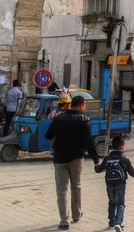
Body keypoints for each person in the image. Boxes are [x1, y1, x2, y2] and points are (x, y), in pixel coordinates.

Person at [46, 94, 100, 229]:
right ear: (81, 105)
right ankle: (76, 215)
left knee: (62, 189)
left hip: (59, 159)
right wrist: (96, 160)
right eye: (84, 106)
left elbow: (48, 135)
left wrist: (56, 122)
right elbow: (89, 142)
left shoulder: (59, 118)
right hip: (76, 159)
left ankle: (64, 221)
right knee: (76, 186)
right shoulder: (84, 119)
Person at [95, 133, 134, 232]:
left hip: (109, 184)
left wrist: (96, 165)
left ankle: (111, 223)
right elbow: (131, 171)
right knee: (120, 203)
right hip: (120, 185)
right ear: (122, 146)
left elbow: (98, 170)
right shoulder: (124, 158)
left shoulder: (107, 158)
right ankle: (118, 223)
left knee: (112, 202)